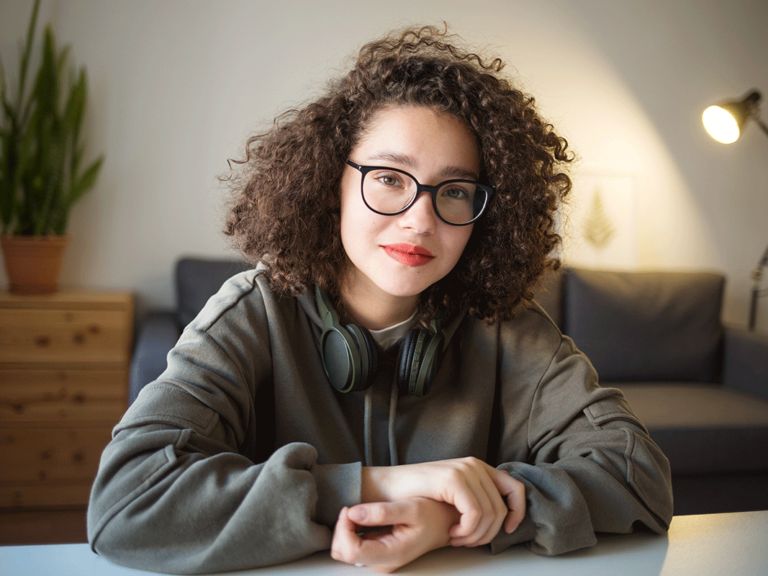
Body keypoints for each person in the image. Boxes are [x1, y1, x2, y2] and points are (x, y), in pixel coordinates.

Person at [88, 25, 673, 574]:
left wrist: (449, 518)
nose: (421, 220)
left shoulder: (506, 326)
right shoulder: (253, 310)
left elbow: (639, 474)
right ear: (330, 183)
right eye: (390, 178)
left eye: (455, 191)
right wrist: (380, 488)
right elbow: (126, 502)